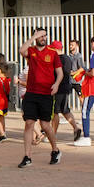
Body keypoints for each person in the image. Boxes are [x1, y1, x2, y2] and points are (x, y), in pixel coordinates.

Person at [19, 27, 63, 168]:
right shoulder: (31, 51)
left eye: (44, 35)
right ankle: (27, 156)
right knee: (29, 123)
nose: (43, 38)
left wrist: (56, 84)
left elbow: (60, 73)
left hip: (46, 94)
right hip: (31, 93)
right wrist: (33, 37)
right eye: (40, 35)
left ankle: (55, 150)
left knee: (45, 125)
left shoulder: (53, 53)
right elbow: (21, 50)